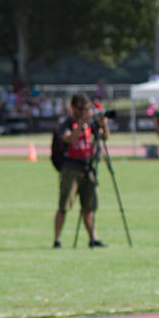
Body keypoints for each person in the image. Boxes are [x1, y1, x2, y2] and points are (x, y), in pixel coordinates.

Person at [52, 93, 106, 249]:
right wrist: (82, 122)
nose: (82, 111)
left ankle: (93, 238)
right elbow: (69, 139)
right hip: (71, 168)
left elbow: (105, 137)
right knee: (64, 206)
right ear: (73, 107)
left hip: (88, 167)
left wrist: (104, 123)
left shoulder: (92, 124)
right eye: (80, 108)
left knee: (89, 207)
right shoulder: (66, 124)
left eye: (85, 109)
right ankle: (57, 239)